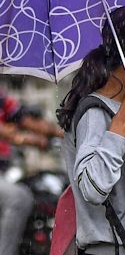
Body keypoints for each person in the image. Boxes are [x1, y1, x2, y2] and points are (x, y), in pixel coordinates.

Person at [57, 6, 125, 255]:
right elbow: (92, 188)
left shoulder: (121, 108)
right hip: (107, 249)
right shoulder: (95, 113)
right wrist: (120, 122)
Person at [0, 87, 63, 255]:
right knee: (19, 197)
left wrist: (64, 133)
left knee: (38, 188)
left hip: (6, 171)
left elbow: (24, 119)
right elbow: (8, 133)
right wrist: (35, 141)